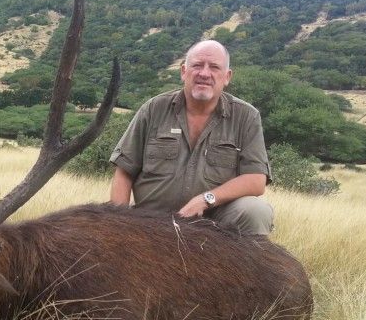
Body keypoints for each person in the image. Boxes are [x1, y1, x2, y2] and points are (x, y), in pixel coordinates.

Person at [109, 39, 273, 235]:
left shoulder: (246, 116)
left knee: (256, 211)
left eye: (214, 67)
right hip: (152, 223)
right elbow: (124, 171)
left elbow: (256, 180)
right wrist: (117, 225)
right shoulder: (154, 109)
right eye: (197, 65)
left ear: (227, 76)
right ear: (183, 71)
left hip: (213, 223)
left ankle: (245, 266)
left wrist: (206, 200)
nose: (204, 74)